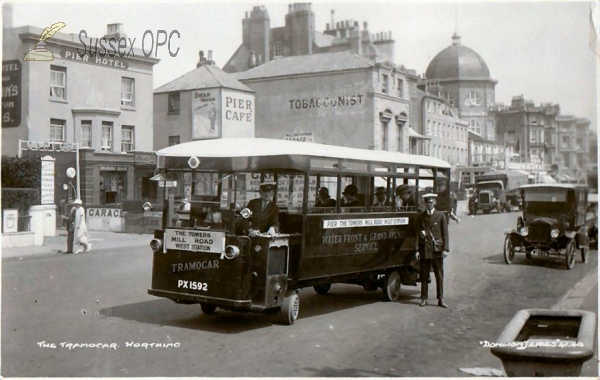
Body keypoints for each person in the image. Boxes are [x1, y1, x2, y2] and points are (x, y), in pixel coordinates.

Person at [415, 193, 449, 308]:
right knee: (424, 275)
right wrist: (416, 250)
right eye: (427, 202)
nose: (429, 204)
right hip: (425, 249)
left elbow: (445, 234)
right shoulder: (421, 217)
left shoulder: (440, 216)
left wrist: (445, 249)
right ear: (424, 203)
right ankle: (424, 298)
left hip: (437, 250)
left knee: (439, 276)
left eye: (431, 202)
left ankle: (440, 299)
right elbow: (416, 235)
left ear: (435, 202)